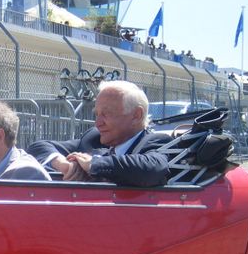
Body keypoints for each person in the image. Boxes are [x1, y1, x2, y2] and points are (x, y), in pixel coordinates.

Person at [27, 80, 171, 186]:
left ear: (136, 115)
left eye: (107, 114)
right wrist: (63, 165)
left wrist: (94, 164)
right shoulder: (94, 138)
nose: (98, 123)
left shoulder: (156, 142)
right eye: (97, 114)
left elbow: (152, 168)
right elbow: (38, 147)